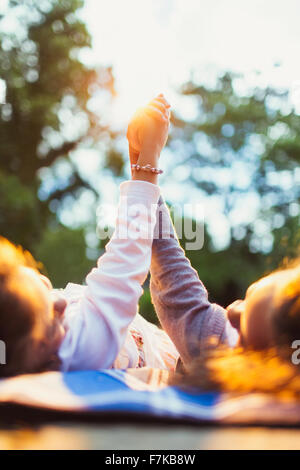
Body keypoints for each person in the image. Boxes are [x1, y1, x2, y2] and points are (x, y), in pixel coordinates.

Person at [0, 94, 179, 378]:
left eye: (44, 288)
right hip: (178, 357)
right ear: (33, 354)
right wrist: (148, 160)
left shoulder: (25, 321)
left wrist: (137, 167)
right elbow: (125, 260)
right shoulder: (79, 352)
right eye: (49, 322)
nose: (58, 301)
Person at [150, 180, 300, 394]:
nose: (231, 310)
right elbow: (170, 269)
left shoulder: (216, 352)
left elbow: (171, 274)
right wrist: (145, 169)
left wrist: (144, 171)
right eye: (249, 295)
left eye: (242, 337)